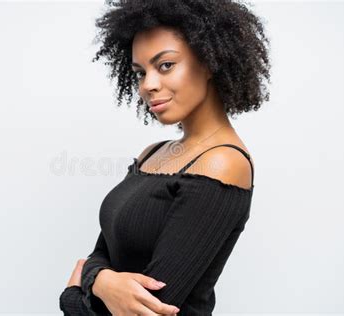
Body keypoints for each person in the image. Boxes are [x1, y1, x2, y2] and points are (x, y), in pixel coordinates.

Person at [59, 0, 271, 315]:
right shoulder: (152, 154)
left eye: (165, 65)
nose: (148, 85)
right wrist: (100, 279)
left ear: (210, 62)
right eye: (140, 72)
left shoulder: (223, 164)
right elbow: (101, 252)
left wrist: (72, 298)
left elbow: (153, 308)